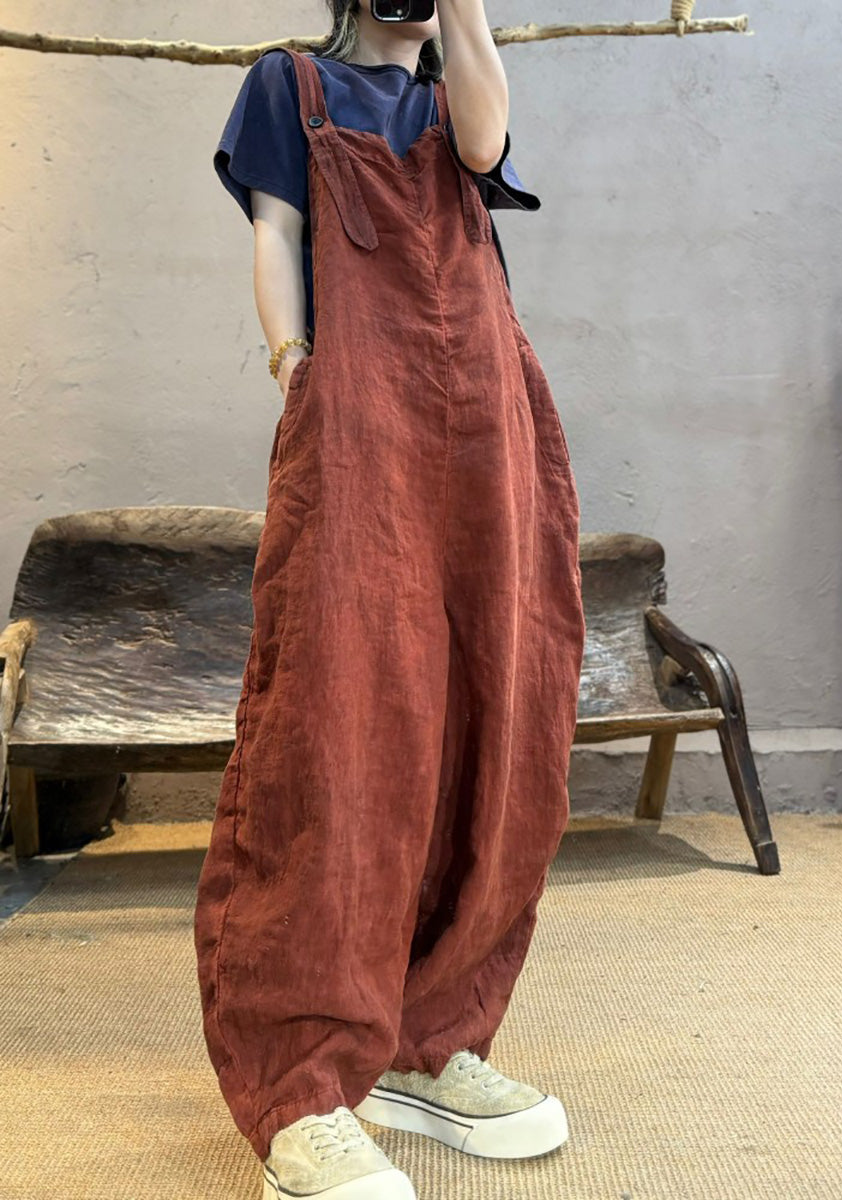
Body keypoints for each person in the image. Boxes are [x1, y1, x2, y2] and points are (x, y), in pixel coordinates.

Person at [192, 2, 586, 1197]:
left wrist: (465, 13)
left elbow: (483, 143)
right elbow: (277, 231)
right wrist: (295, 368)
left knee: (494, 723)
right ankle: (303, 1083)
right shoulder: (291, 85)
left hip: (485, 420)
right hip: (358, 418)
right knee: (341, 727)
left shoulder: (451, 99)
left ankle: (432, 1037)